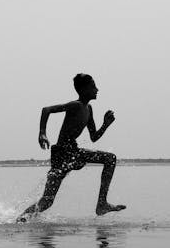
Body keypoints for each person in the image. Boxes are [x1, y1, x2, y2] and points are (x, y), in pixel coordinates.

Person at [17, 73, 126, 222]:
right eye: (93, 86)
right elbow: (46, 109)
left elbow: (93, 137)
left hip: (72, 152)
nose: (97, 89)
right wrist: (42, 133)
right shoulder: (75, 105)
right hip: (63, 152)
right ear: (83, 89)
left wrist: (106, 125)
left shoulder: (89, 109)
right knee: (47, 201)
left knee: (110, 159)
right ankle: (20, 220)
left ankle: (102, 203)